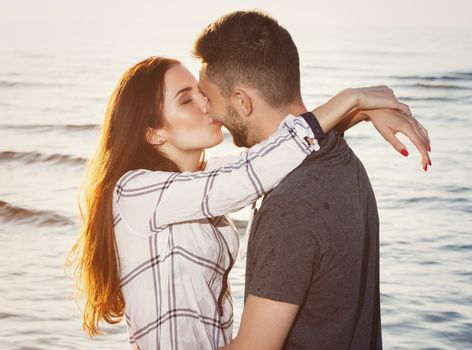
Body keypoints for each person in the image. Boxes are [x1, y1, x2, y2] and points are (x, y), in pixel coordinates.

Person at [68, 33, 430, 350]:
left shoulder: (199, 180)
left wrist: (363, 113)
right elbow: (251, 173)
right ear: (153, 133)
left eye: (201, 94)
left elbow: (271, 154)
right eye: (186, 100)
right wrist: (349, 98)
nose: (206, 105)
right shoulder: (135, 191)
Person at [192, 10, 431, 350]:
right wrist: (358, 109)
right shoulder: (338, 155)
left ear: (242, 102)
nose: (206, 110)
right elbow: (299, 137)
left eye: (208, 98)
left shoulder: (291, 206)